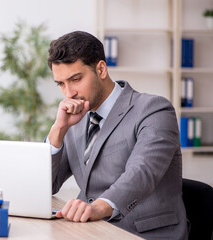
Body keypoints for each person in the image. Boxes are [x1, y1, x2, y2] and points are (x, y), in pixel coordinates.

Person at [46, 31, 188, 240]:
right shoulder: (75, 119)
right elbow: (48, 184)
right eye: (61, 84)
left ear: (101, 69)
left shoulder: (153, 110)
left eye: (76, 79)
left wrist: (98, 208)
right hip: (91, 232)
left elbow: (141, 173)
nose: (69, 93)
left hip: (144, 233)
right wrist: (58, 129)